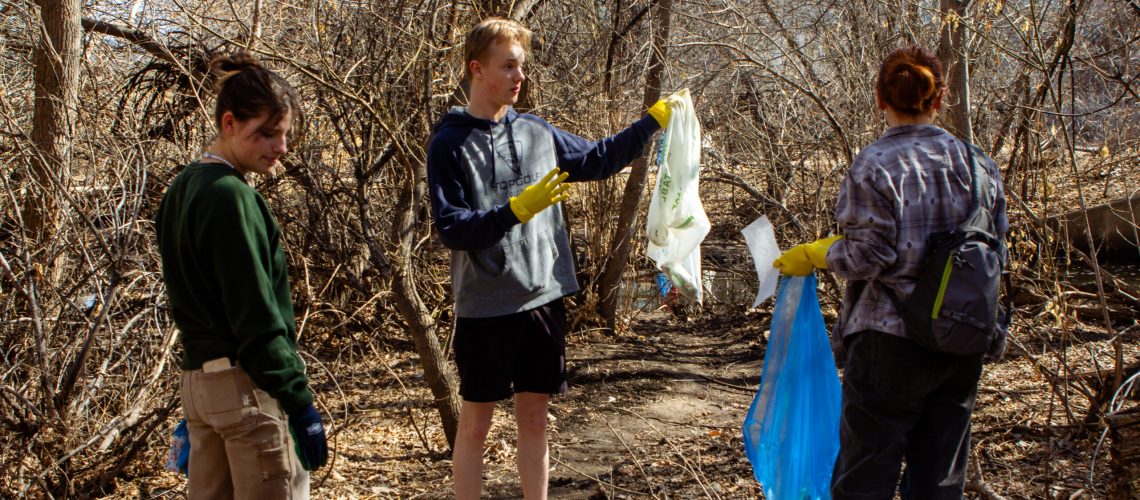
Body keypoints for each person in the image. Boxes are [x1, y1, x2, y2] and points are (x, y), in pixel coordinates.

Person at [427, 17, 681, 500]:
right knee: (476, 422)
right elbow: (451, 228)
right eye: (508, 66)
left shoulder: (538, 132)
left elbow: (600, 159)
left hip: (542, 298)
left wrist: (651, 121)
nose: (519, 76)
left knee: (535, 416)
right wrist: (514, 211)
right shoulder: (449, 143)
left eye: (521, 65)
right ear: (476, 69)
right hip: (485, 306)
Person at [773, 46, 1008, 499]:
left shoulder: (875, 163)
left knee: (866, 473)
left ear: (880, 98)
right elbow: (996, 252)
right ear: (938, 100)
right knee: (940, 479)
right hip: (963, 339)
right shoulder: (979, 165)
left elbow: (869, 257)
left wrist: (819, 254)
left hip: (889, 342)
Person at [156, 52, 328, 499]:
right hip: (246, 386)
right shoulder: (231, 196)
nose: (281, 147)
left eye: (285, 134)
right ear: (229, 123)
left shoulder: (181, 188)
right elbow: (254, 313)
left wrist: (206, 400)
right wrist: (298, 401)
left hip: (199, 387)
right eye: (267, 133)